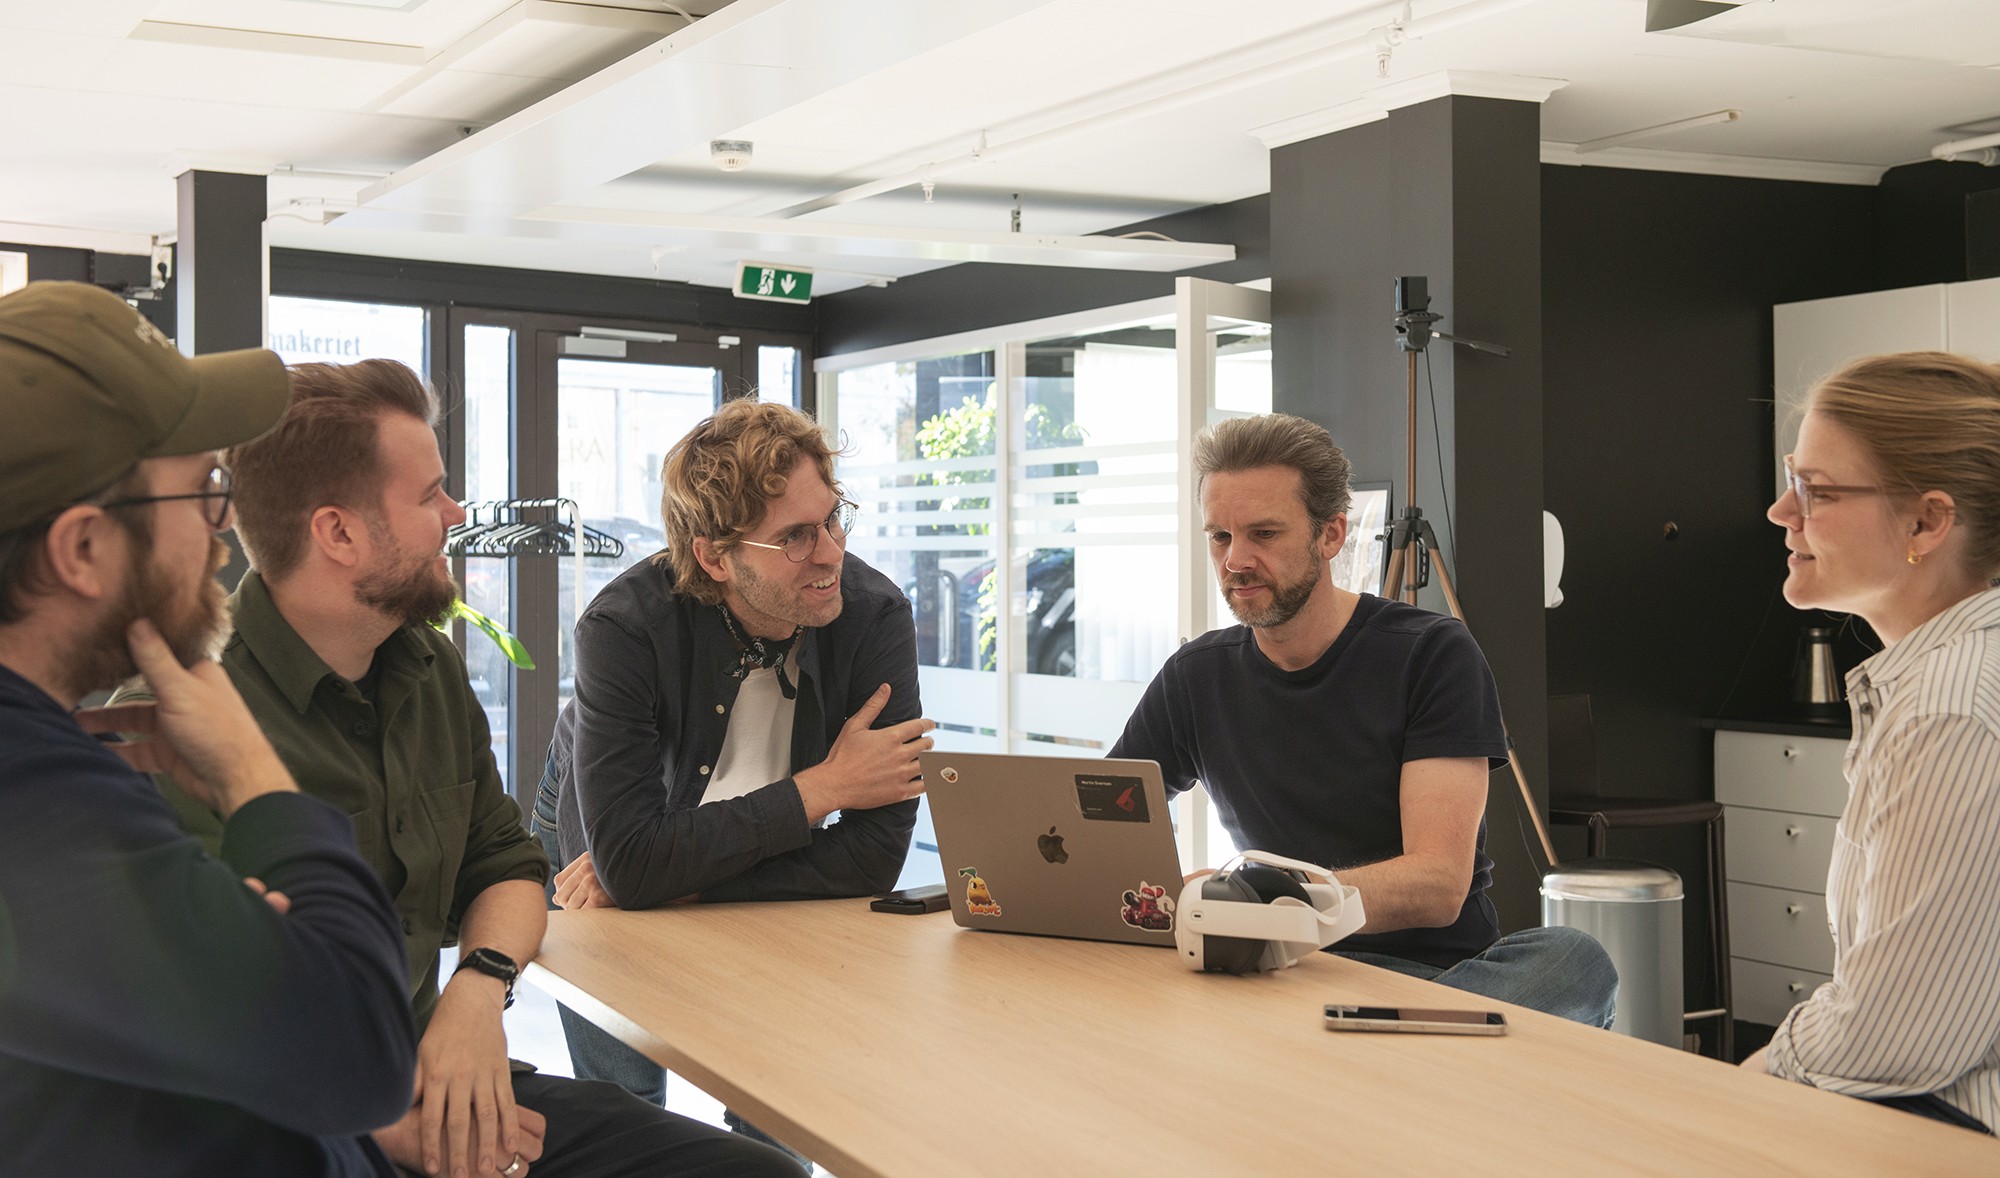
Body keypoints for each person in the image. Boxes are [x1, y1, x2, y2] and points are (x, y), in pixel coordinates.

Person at [153, 359, 803, 1177]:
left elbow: (506, 864)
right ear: (338, 533)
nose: (457, 514)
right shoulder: (181, 714)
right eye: (429, 495)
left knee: (754, 1172)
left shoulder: (427, 666)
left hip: (443, 1075)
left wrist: (476, 989)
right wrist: (366, 1120)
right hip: (281, 1125)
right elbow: (173, 1019)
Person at [0, 282, 417, 1175]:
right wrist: (254, 780)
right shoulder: (34, 800)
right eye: (201, 495)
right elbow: (360, 1050)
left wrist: (258, 951)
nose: (222, 538)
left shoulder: (52, 760)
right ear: (81, 549)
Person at [1109, 412, 1616, 1026]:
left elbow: (1437, 883)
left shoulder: (1432, 653)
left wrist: (1264, 899)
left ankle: (1364, 1047)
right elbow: (1098, 825)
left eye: (1263, 534)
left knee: (1574, 958)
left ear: (1331, 535)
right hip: (1282, 969)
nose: (1235, 560)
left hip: (1440, 978)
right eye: (1219, 536)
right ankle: (1398, 1057)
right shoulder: (1196, 676)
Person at [535, 398, 931, 1143]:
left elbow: (876, 856)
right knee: (624, 1108)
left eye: (833, 519)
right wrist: (821, 791)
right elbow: (623, 857)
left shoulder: (874, 616)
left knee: (783, 1104)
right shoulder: (621, 627)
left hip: (714, 846)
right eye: (795, 538)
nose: (831, 553)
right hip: (600, 807)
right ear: (717, 556)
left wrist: (672, 880)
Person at [1742, 351, 2000, 1134]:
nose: (1781, 513)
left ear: (1927, 521)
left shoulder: (1951, 712)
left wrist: (1745, 1079)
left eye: (1815, 491)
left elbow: (1894, 1037)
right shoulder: (1940, 682)